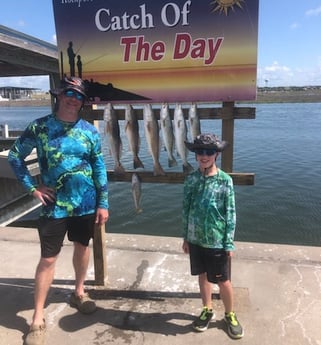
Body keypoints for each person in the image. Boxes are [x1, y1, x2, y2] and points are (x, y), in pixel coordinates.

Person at [8, 76, 109, 345]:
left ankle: (79, 292)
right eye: (69, 94)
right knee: (48, 259)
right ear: (59, 96)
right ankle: (37, 317)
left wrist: (103, 202)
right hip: (54, 208)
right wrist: (32, 188)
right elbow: (14, 156)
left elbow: (98, 167)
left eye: (78, 96)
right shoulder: (40, 127)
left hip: (86, 204)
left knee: (82, 248)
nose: (73, 99)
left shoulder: (89, 130)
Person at [182, 133, 244, 339]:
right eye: (200, 152)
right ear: (195, 155)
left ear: (216, 154)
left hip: (217, 240)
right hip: (195, 239)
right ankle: (207, 309)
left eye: (209, 152)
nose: (204, 156)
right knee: (202, 276)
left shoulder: (225, 180)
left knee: (223, 280)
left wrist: (229, 243)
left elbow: (230, 213)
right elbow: (186, 209)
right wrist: (186, 237)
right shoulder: (191, 179)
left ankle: (230, 314)